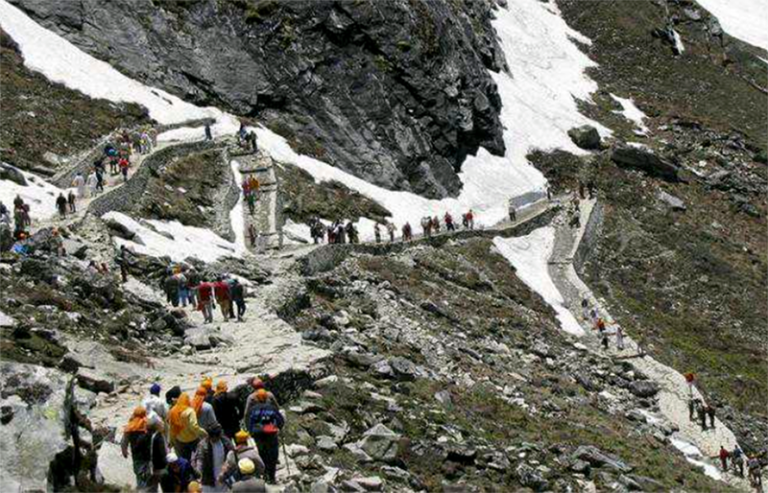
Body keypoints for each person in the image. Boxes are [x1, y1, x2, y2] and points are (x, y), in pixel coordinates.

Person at [121, 408, 168, 493]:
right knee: (152, 480)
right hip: (151, 457)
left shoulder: (129, 427)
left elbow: (124, 441)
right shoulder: (148, 425)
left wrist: (124, 451)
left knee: (140, 478)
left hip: (137, 457)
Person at [245, 389, 284, 484]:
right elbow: (280, 420)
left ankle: (264, 475)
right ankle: (272, 477)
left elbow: (249, 422)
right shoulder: (271, 408)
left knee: (262, 454)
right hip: (271, 433)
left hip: (258, 435)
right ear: (266, 398)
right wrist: (279, 427)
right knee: (273, 455)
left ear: (257, 399)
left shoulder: (252, 409)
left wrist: (251, 432)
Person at [192, 423, 233, 493]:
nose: (214, 439)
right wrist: (198, 473)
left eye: (216, 437)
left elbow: (232, 456)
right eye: (211, 437)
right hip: (208, 478)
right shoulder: (203, 445)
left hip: (223, 476)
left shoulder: (226, 442)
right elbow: (199, 459)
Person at [169, 393, 208, 461]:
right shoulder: (190, 411)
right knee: (200, 458)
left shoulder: (173, 411)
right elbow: (194, 426)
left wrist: (171, 441)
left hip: (181, 440)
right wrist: (204, 433)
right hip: (193, 439)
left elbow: (172, 428)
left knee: (185, 460)